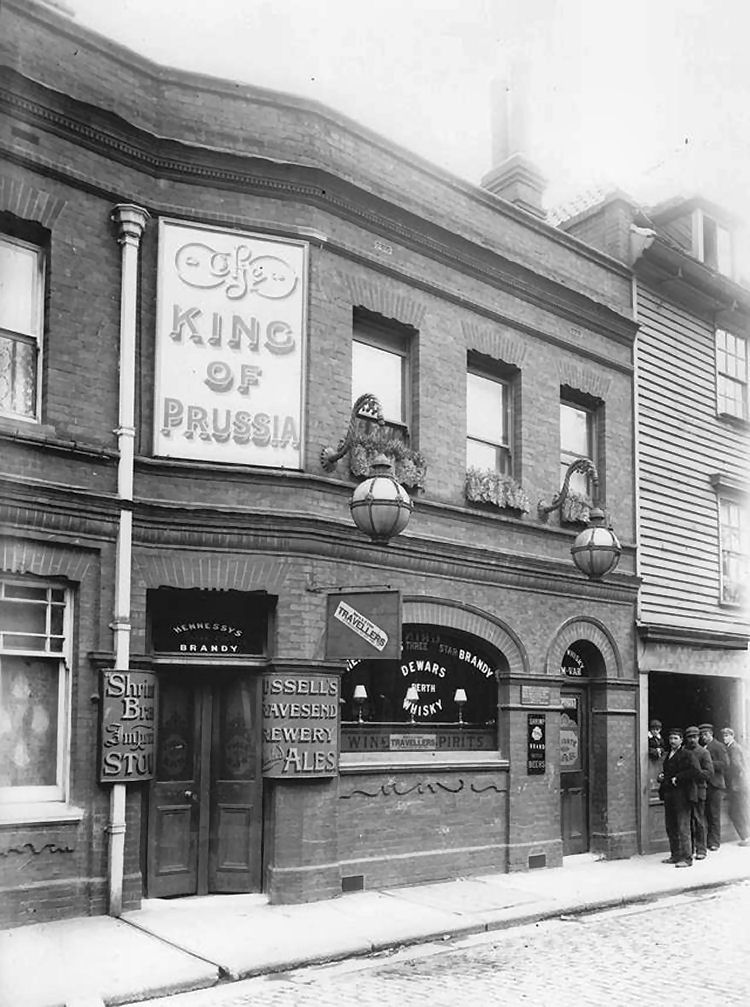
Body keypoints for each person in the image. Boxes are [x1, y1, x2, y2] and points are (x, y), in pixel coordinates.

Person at [658, 727, 701, 867]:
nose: (672, 741)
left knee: (683, 827)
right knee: (671, 826)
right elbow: (668, 771)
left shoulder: (688, 754)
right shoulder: (669, 754)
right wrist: (662, 776)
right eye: (670, 738)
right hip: (669, 794)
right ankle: (675, 855)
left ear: (681, 740)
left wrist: (678, 777)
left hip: (683, 795)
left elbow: (695, 771)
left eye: (675, 738)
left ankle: (687, 858)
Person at [683, 726, 712, 860]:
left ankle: (701, 849)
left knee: (699, 820)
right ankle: (689, 848)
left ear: (699, 737)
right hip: (685, 791)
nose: (692, 740)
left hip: (699, 790)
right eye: (690, 737)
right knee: (687, 821)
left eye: (695, 737)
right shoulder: (683, 751)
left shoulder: (704, 752)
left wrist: (695, 773)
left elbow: (709, 773)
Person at [699, 723, 729, 850]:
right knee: (706, 814)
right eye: (702, 735)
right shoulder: (702, 747)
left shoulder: (718, 746)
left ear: (711, 734)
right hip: (705, 785)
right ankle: (707, 841)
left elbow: (725, 764)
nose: (703, 737)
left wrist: (709, 763)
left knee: (714, 815)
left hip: (715, 785)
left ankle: (714, 842)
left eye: (705, 734)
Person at [721, 727, 750, 846]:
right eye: (723, 736)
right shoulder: (732, 747)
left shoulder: (733, 748)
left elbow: (736, 765)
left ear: (732, 736)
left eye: (727, 736)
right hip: (739, 784)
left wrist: (731, 777)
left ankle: (746, 837)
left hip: (737, 785)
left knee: (737, 812)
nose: (724, 738)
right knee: (740, 810)